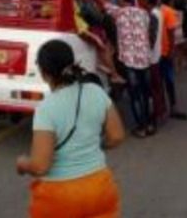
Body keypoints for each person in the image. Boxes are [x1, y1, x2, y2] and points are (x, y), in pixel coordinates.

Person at [16, 40, 125, 218]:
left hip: (59, 198)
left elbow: (40, 166)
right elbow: (117, 136)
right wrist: (94, 147)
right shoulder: (96, 92)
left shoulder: (46, 109)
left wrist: (22, 163)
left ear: (44, 74)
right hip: (99, 188)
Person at [99, 0, 155, 138]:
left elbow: (103, 1)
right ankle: (149, 124)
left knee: (135, 95)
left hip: (130, 61)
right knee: (145, 93)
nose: (116, 0)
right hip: (145, 58)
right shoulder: (144, 13)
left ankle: (141, 127)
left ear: (121, 0)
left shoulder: (118, 13)